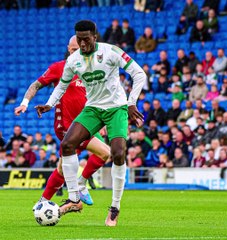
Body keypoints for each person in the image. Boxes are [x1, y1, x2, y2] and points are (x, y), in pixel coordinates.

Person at [35, 20, 147, 226]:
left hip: (116, 108)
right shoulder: (74, 60)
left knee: (118, 152)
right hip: (93, 108)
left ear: (95, 37)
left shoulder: (111, 51)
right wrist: (49, 104)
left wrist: (132, 102)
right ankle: (74, 198)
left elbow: (139, 74)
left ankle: (115, 207)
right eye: (79, 39)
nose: (83, 43)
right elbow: (61, 86)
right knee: (67, 145)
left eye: (86, 39)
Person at [14, 35, 111, 211]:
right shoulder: (59, 68)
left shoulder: (89, 69)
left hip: (87, 123)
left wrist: (102, 122)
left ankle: (43, 201)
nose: (76, 52)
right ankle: (80, 187)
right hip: (67, 126)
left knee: (61, 168)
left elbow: (96, 98)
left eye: (79, 49)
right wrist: (24, 103)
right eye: (73, 49)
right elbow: (35, 85)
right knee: (105, 152)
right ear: (68, 49)